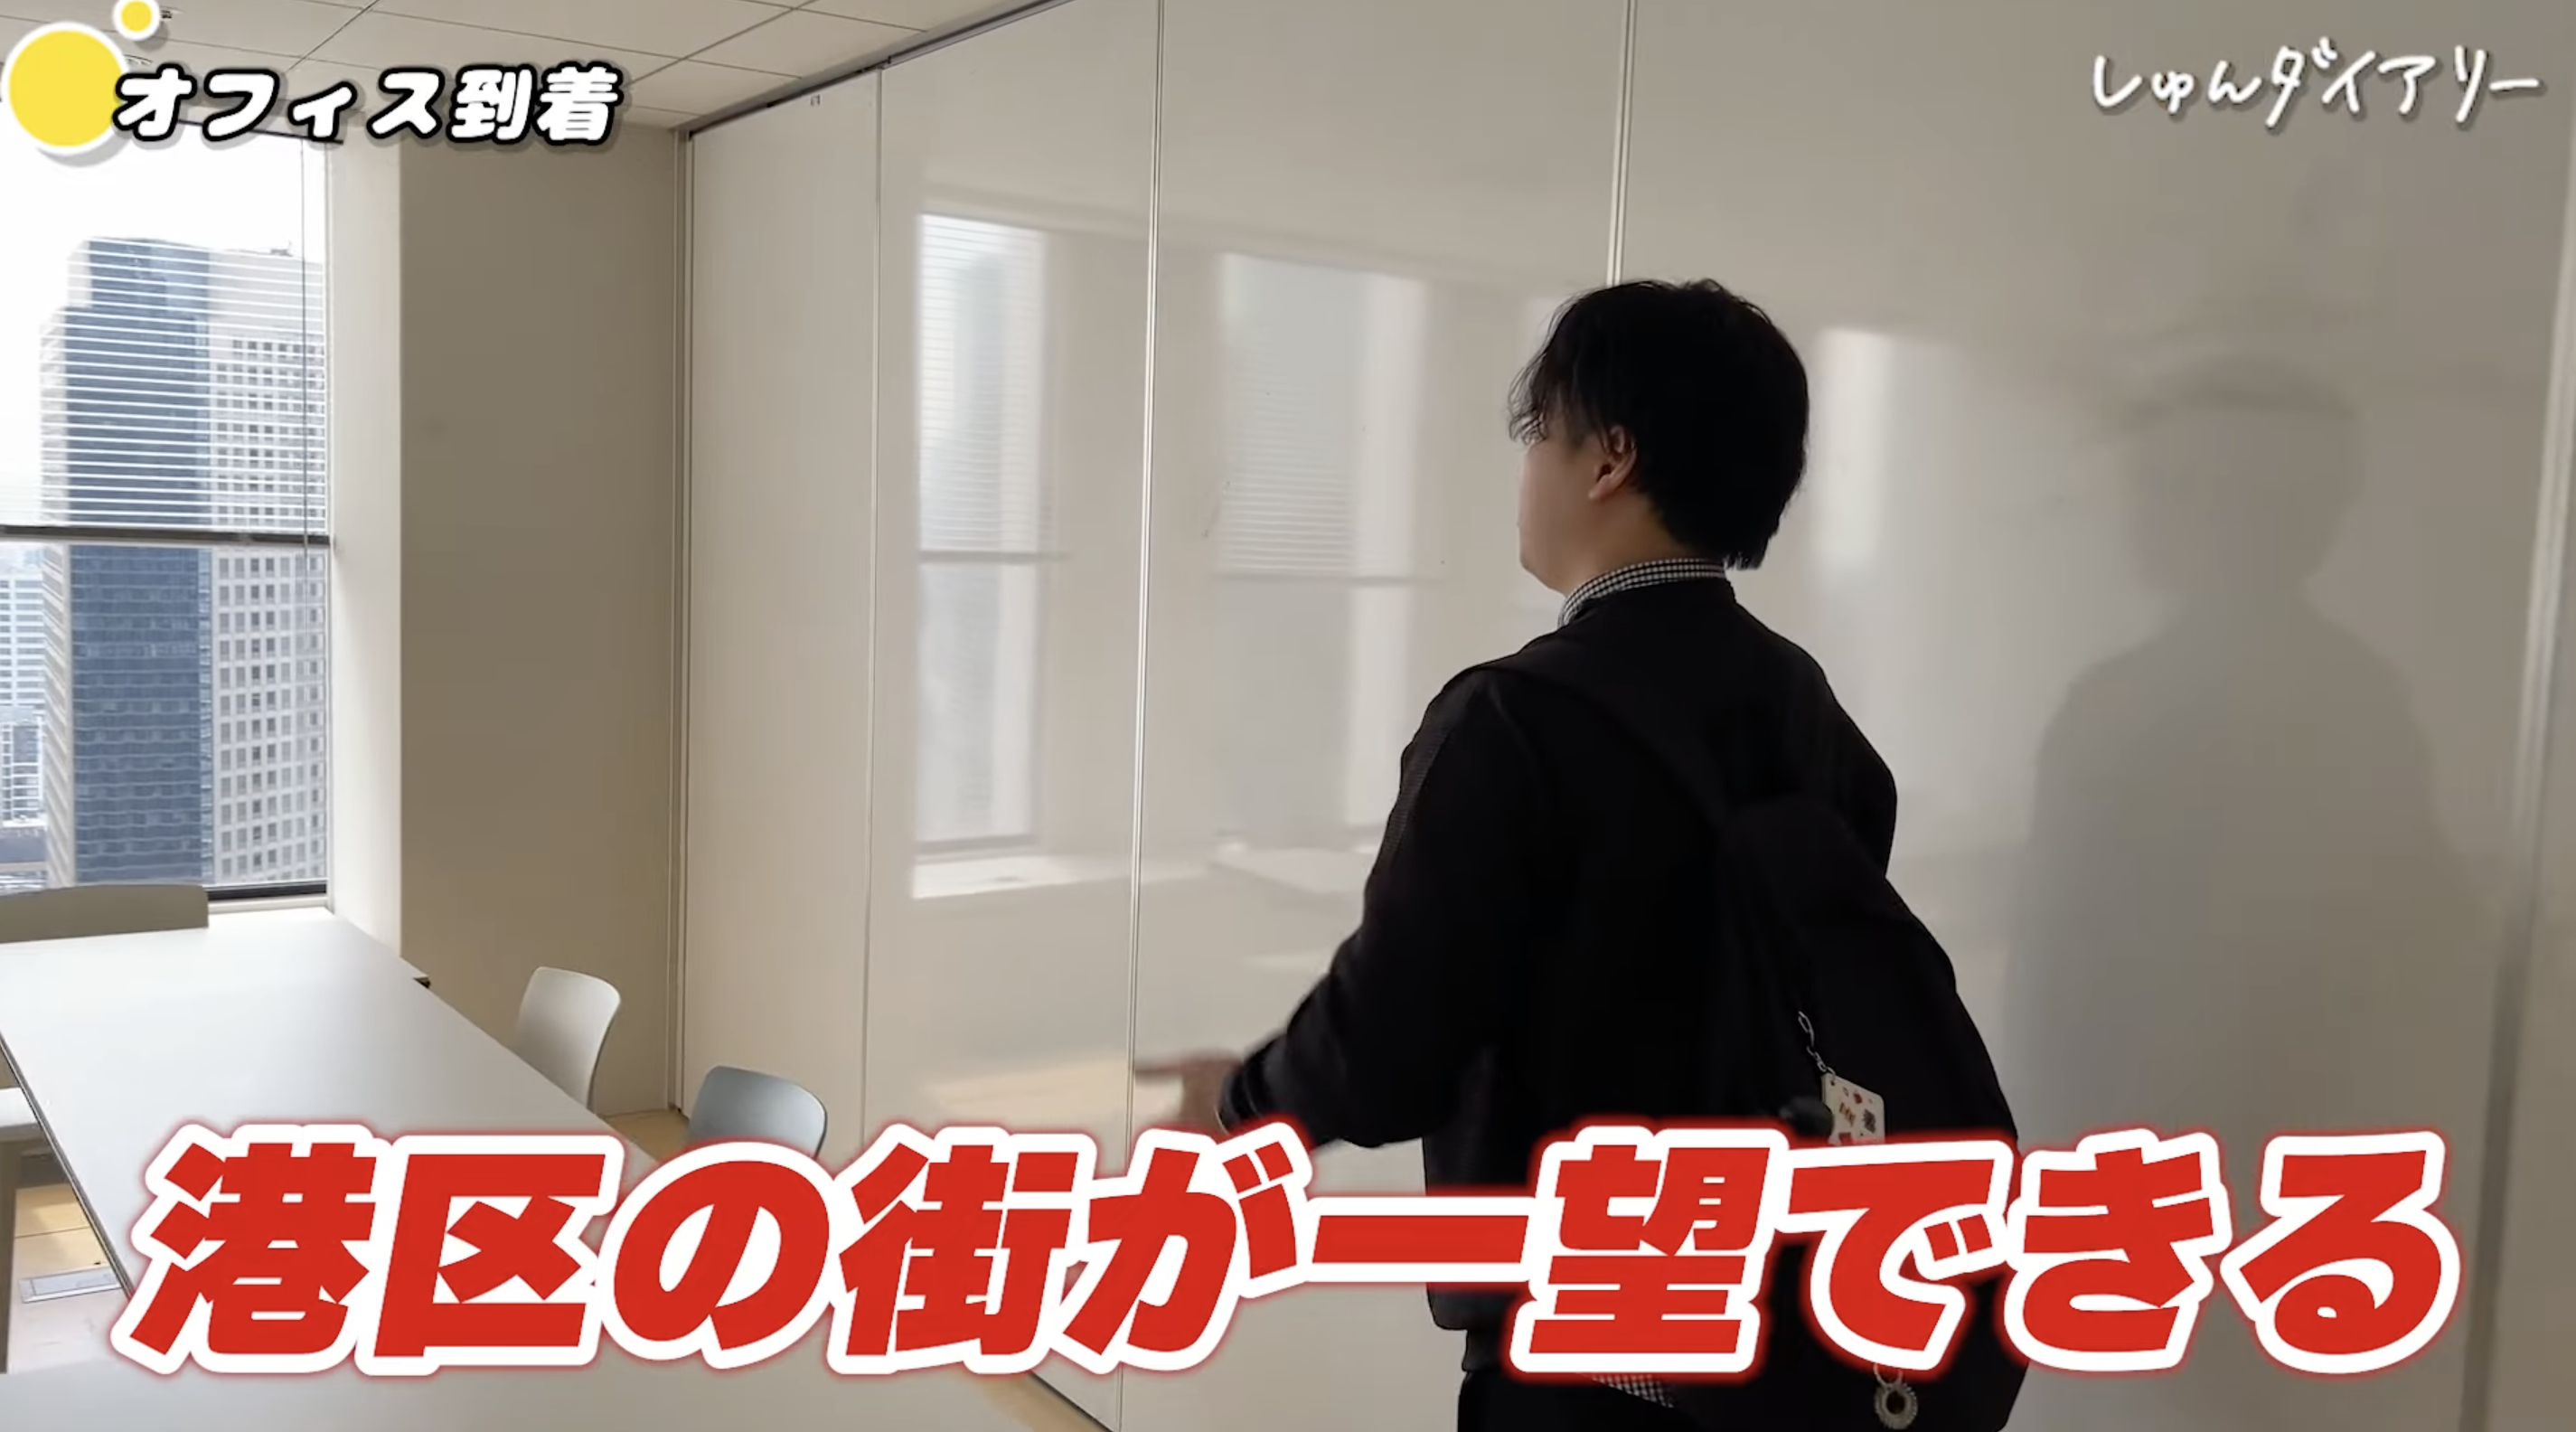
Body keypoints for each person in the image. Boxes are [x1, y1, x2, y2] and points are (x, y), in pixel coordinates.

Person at [1148, 279, 1899, 1431]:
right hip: (1788, 1342)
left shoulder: (1515, 718)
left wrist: (1240, 1105)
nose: (1525, 471)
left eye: (1538, 434)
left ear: (1609, 459)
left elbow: (1391, 1041)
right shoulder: (1814, 715)